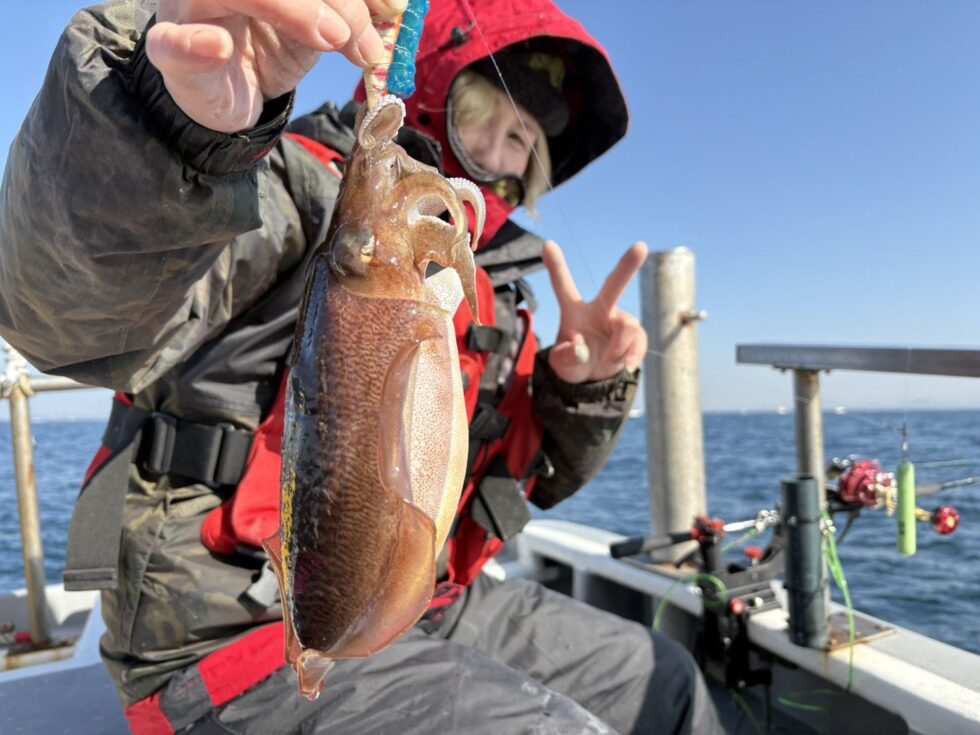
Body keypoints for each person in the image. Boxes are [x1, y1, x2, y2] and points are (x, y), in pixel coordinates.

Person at [0, 0, 724, 733]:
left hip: (427, 595)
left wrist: (582, 389)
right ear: (437, 90)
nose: (498, 152)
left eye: (521, 140)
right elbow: (66, 318)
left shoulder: (499, 290)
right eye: (485, 115)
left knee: (666, 680)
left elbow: (530, 482)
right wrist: (171, 123)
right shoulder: (274, 189)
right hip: (233, 625)